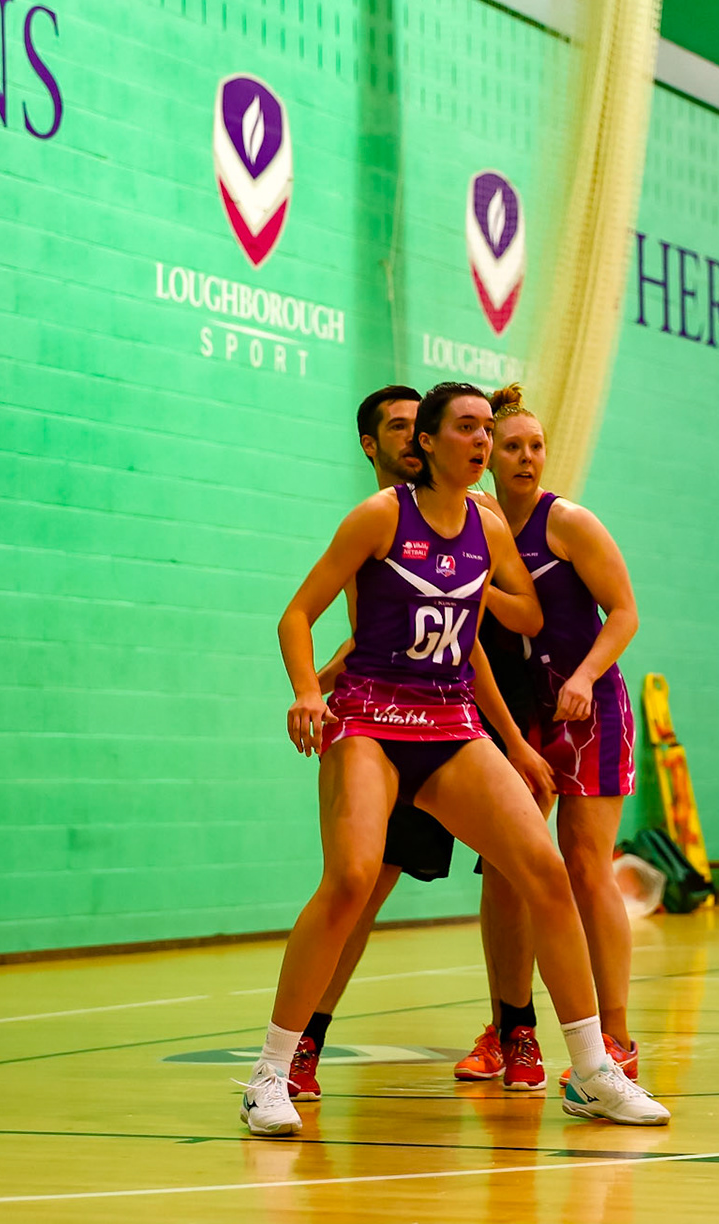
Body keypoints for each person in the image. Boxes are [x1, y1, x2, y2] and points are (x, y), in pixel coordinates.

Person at [246, 380, 668, 1136]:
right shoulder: (380, 515)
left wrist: (508, 739)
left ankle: (594, 1070)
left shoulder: (491, 528)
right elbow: (295, 615)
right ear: (429, 443)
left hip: (449, 719)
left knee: (545, 871)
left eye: (488, 431)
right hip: (371, 719)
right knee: (349, 881)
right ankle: (271, 1073)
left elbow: (500, 626)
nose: (482, 441)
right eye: (468, 429)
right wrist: (309, 691)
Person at [285, 386, 545, 1103]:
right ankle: (303, 1041)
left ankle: (515, 1027)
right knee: (359, 882)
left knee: (518, 869)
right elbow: (358, 626)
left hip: (476, 703)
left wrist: (463, 591)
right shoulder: (376, 522)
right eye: (394, 428)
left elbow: (521, 614)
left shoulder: (474, 517)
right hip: (392, 713)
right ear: (374, 445)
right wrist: (330, 672)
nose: (407, 438)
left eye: (414, 425)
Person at [462, 384, 645, 1092]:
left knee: (584, 865)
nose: (526, 457)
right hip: (519, 718)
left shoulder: (566, 521)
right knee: (506, 868)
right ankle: (510, 1029)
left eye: (535, 446)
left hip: (589, 711)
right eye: (512, 446)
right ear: (486, 455)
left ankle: (618, 1036)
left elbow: (625, 612)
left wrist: (585, 675)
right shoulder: (473, 526)